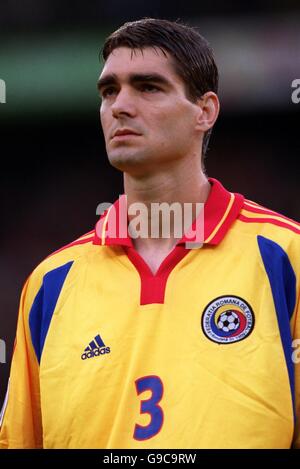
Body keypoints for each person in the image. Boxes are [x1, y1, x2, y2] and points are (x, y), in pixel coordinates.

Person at [0, 18, 299, 449]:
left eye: (148, 87)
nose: (120, 105)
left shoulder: (285, 256)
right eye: (109, 91)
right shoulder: (51, 283)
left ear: (206, 111)